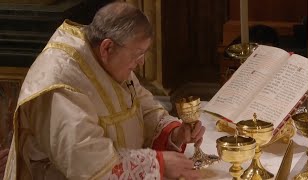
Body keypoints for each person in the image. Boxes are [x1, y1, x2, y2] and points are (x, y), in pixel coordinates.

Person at [4, 2, 205, 180]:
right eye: (138, 54)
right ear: (107, 48)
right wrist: (158, 164)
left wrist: (175, 133)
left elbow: (141, 106)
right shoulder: (62, 83)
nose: (142, 62)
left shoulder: (106, 58)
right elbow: (86, 163)